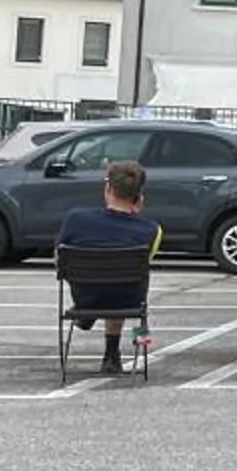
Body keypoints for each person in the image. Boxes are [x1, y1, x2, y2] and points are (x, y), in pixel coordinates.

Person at [60, 156, 163, 374]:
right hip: (129, 301)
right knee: (136, 279)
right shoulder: (152, 230)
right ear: (139, 196)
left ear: (107, 188)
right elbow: (145, 262)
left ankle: (87, 315)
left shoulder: (75, 219)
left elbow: (61, 259)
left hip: (84, 296)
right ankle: (125, 351)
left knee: (109, 279)